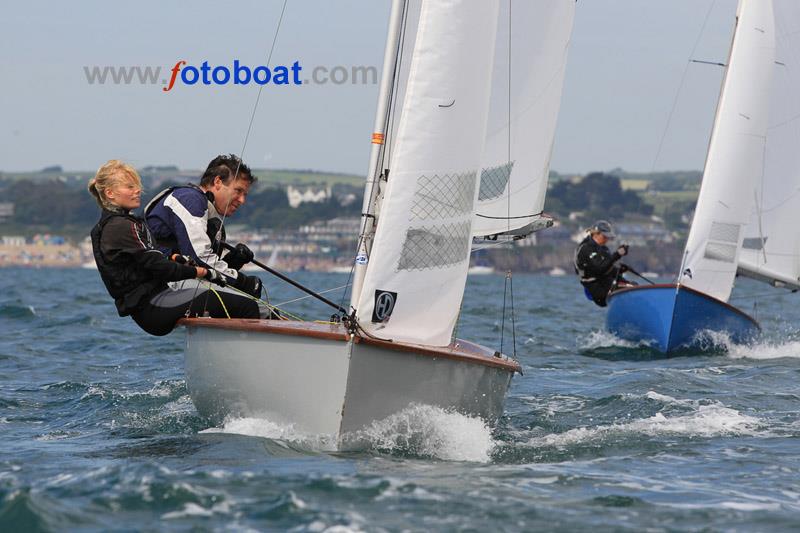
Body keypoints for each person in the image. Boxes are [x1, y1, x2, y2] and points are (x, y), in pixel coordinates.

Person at [89, 160, 260, 336]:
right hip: (153, 305)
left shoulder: (123, 223)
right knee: (246, 306)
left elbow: (155, 261)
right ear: (109, 193)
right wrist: (201, 272)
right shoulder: (120, 226)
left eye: (137, 186)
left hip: (158, 298)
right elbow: (159, 265)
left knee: (246, 305)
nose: (138, 190)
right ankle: (251, 360)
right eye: (130, 187)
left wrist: (232, 262)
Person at [144, 154, 263, 298]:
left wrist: (234, 260)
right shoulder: (189, 199)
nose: (242, 200)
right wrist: (242, 281)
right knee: (249, 307)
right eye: (238, 191)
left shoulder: (210, 214)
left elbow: (208, 272)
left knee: (253, 307)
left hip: (177, 285)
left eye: (245, 194)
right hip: (158, 289)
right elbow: (200, 259)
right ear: (217, 181)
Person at [574, 220, 632, 307]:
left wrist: (619, 270)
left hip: (606, 282)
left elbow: (607, 266)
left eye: (608, 237)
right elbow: (600, 268)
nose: (607, 239)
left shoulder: (603, 249)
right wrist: (617, 254)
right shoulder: (586, 248)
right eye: (604, 237)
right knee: (630, 289)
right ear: (596, 234)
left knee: (634, 286)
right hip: (596, 287)